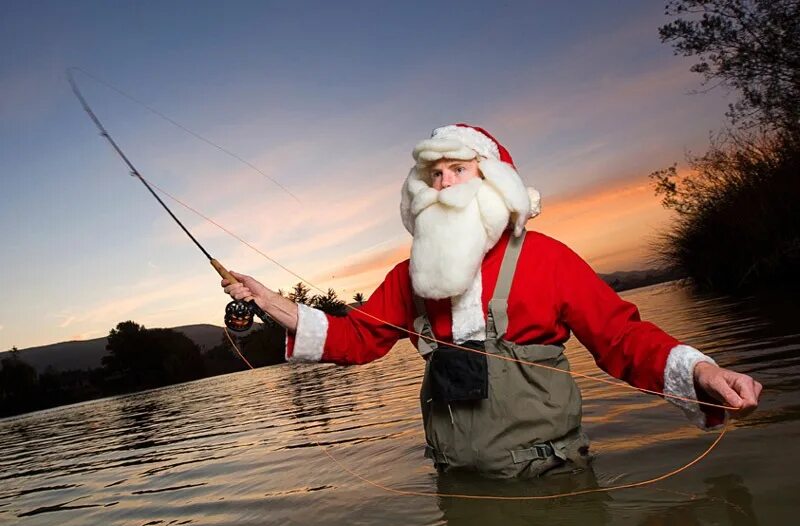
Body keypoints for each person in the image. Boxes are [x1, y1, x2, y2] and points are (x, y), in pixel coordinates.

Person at [222, 124, 762, 478]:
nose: (443, 184)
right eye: (433, 175)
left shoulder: (547, 258)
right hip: (456, 485)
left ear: (494, 181)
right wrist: (269, 300)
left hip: (553, 480)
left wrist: (701, 372)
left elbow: (621, 337)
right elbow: (358, 339)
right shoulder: (409, 276)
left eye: (458, 170)